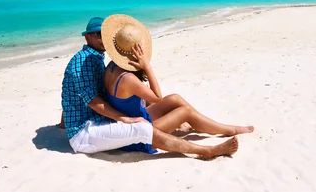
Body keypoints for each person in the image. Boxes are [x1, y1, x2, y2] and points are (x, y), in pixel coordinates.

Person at [60, 16, 239, 158]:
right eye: (96, 35)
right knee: (142, 128)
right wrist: (126, 119)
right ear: (87, 37)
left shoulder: (97, 59)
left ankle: (217, 128)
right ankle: (206, 151)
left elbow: (76, 93)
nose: (100, 38)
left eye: (102, 34)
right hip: (84, 132)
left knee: (172, 100)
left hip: (96, 120)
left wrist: (64, 121)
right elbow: (92, 100)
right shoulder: (83, 61)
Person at [101, 14, 253, 154]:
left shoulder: (111, 67)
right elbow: (157, 98)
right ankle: (227, 129)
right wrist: (147, 66)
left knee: (175, 98)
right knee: (185, 111)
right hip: (139, 133)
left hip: (136, 118)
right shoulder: (127, 78)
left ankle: (205, 124)